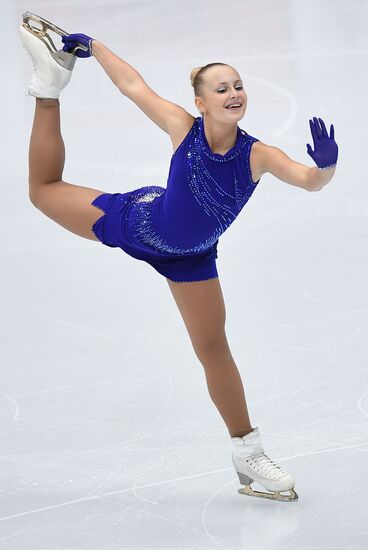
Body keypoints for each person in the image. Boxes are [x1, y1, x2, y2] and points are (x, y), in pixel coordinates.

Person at [19, 12, 338, 502]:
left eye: (238, 85)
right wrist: (96, 46)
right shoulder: (182, 128)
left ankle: (247, 454)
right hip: (141, 223)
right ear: (200, 102)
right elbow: (132, 85)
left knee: (213, 349)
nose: (234, 94)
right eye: (222, 88)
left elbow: (308, 180)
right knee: (43, 192)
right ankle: (48, 86)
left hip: (191, 257)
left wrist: (326, 167)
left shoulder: (260, 155)